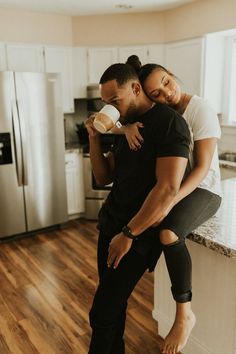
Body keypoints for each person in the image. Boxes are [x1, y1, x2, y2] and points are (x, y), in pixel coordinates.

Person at [111, 55, 221, 354]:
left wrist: (170, 198)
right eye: (156, 93)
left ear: (171, 74)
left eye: (166, 82)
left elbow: (201, 170)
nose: (166, 93)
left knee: (168, 233)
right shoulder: (159, 115)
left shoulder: (200, 109)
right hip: (177, 191)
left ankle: (184, 315)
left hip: (204, 190)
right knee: (152, 220)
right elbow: (108, 119)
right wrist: (125, 128)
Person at [85, 62, 191, 354]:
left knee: (102, 312)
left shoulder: (169, 123)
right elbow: (103, 176)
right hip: (111, 225)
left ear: (134, 88)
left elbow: (167, 189)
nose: (111, 109)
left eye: (114, 101)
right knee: (114, 308)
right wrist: (95, 138)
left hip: (137, 235)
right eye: (106, 104)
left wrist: (129, 234)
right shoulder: (128, 125)